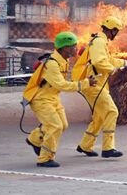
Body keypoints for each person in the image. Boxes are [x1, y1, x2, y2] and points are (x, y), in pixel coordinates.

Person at [26, 31, 96, 167]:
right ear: (65, 48)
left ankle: (35, 139)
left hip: (53, 98)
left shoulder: (63, 61)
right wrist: (85, 83)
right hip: (41, 100)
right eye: (74, 46)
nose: (76, 48)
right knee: (55, 126)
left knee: (63, 124)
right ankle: (45, 158)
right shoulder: (52, 64)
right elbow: (62, 85)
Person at [74, 17, 127, 158]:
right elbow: (98, 62)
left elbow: (107, 60)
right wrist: (113, 70)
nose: (116, 34)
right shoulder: (99, 41)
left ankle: (85, 145)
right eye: (116, 31)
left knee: (99, 117)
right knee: (111, 112)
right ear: (112, 30)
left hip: (98, 84)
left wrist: (124, 63)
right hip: (94, 85)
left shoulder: (100, 41)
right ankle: (108, 148)